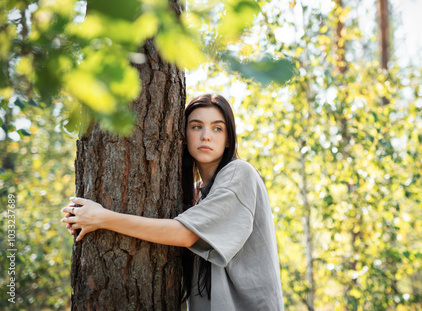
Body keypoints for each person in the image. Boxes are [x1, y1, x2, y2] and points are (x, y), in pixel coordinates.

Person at [61, 94, 284, 311]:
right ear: (184, 134)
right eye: (196, 126)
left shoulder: (239, 173)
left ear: (228, 140)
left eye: (217, 128)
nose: (206, 135)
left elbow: (186, 234)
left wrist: (103, 218)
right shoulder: (198, 193)